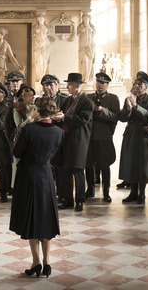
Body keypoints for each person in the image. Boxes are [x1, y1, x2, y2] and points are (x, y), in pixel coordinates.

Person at [9, 96, 64, 278]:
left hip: (28, 176)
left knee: (32, 218)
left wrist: (30, 121)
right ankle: (47, 262)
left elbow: (16, 152)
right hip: (46, 176)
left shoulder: (30, 129)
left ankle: (36, 262)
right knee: (46, 217)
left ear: (37, 110)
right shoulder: (58, 131)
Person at [56, 73, 93, 212]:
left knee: (78, 171)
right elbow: (63, 114)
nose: (67, 87)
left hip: (79, 141)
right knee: (65, 171)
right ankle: (68, 200)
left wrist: (64, 117)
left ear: (78, 86)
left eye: (70, 84)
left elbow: (82, 119)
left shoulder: (86, 102)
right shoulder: (67, 100)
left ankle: (79, 201)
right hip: (66, 140)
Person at [118, 71, 148, 204]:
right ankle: (133, 192)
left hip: (143, 136)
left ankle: (142, 194)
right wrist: (128, 109)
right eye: (136, 84)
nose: (137, 86)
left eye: (140, 84)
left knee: (143, 165)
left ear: (146, 87)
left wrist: (135, 106)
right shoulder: (128, 99)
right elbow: (122, 118)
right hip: (131, 135)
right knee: (132, 163)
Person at [86, 72, 120, 202]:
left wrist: (101, 111)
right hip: (90, 136)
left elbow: (115, 117)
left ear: (107, 85)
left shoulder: (113, 98)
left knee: (105, 166)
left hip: (104, 137)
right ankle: (90, 190)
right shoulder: (88, 97)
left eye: (103, 83)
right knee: (89, 165)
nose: (100, 86)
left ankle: (106, 192)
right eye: (98, 82)